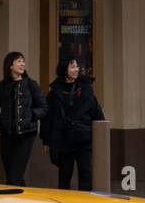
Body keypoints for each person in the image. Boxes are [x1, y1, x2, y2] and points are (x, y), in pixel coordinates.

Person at [41, 56, 105, 192]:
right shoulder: (54, 92)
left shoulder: (86, 89)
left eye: (77, 67)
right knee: (64, 177)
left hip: (84, 138)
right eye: (72, 66)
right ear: (64, 69)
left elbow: (97, 112)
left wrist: (101, 135)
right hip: (64, 139)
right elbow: (48, 118)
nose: (76, 69)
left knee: (86, 175)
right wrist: (46, 141)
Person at [0, 51, 47, 187]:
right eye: (19, 61)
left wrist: (31, 115)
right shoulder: (1, 86)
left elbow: (44, 108)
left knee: (14, 176)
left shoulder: (31, 85)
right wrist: (2, 121)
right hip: (7, 136)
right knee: (13, 175)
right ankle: (23, 201)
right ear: (10, 65)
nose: (22, 64)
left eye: (23, 61)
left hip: (26, 135)